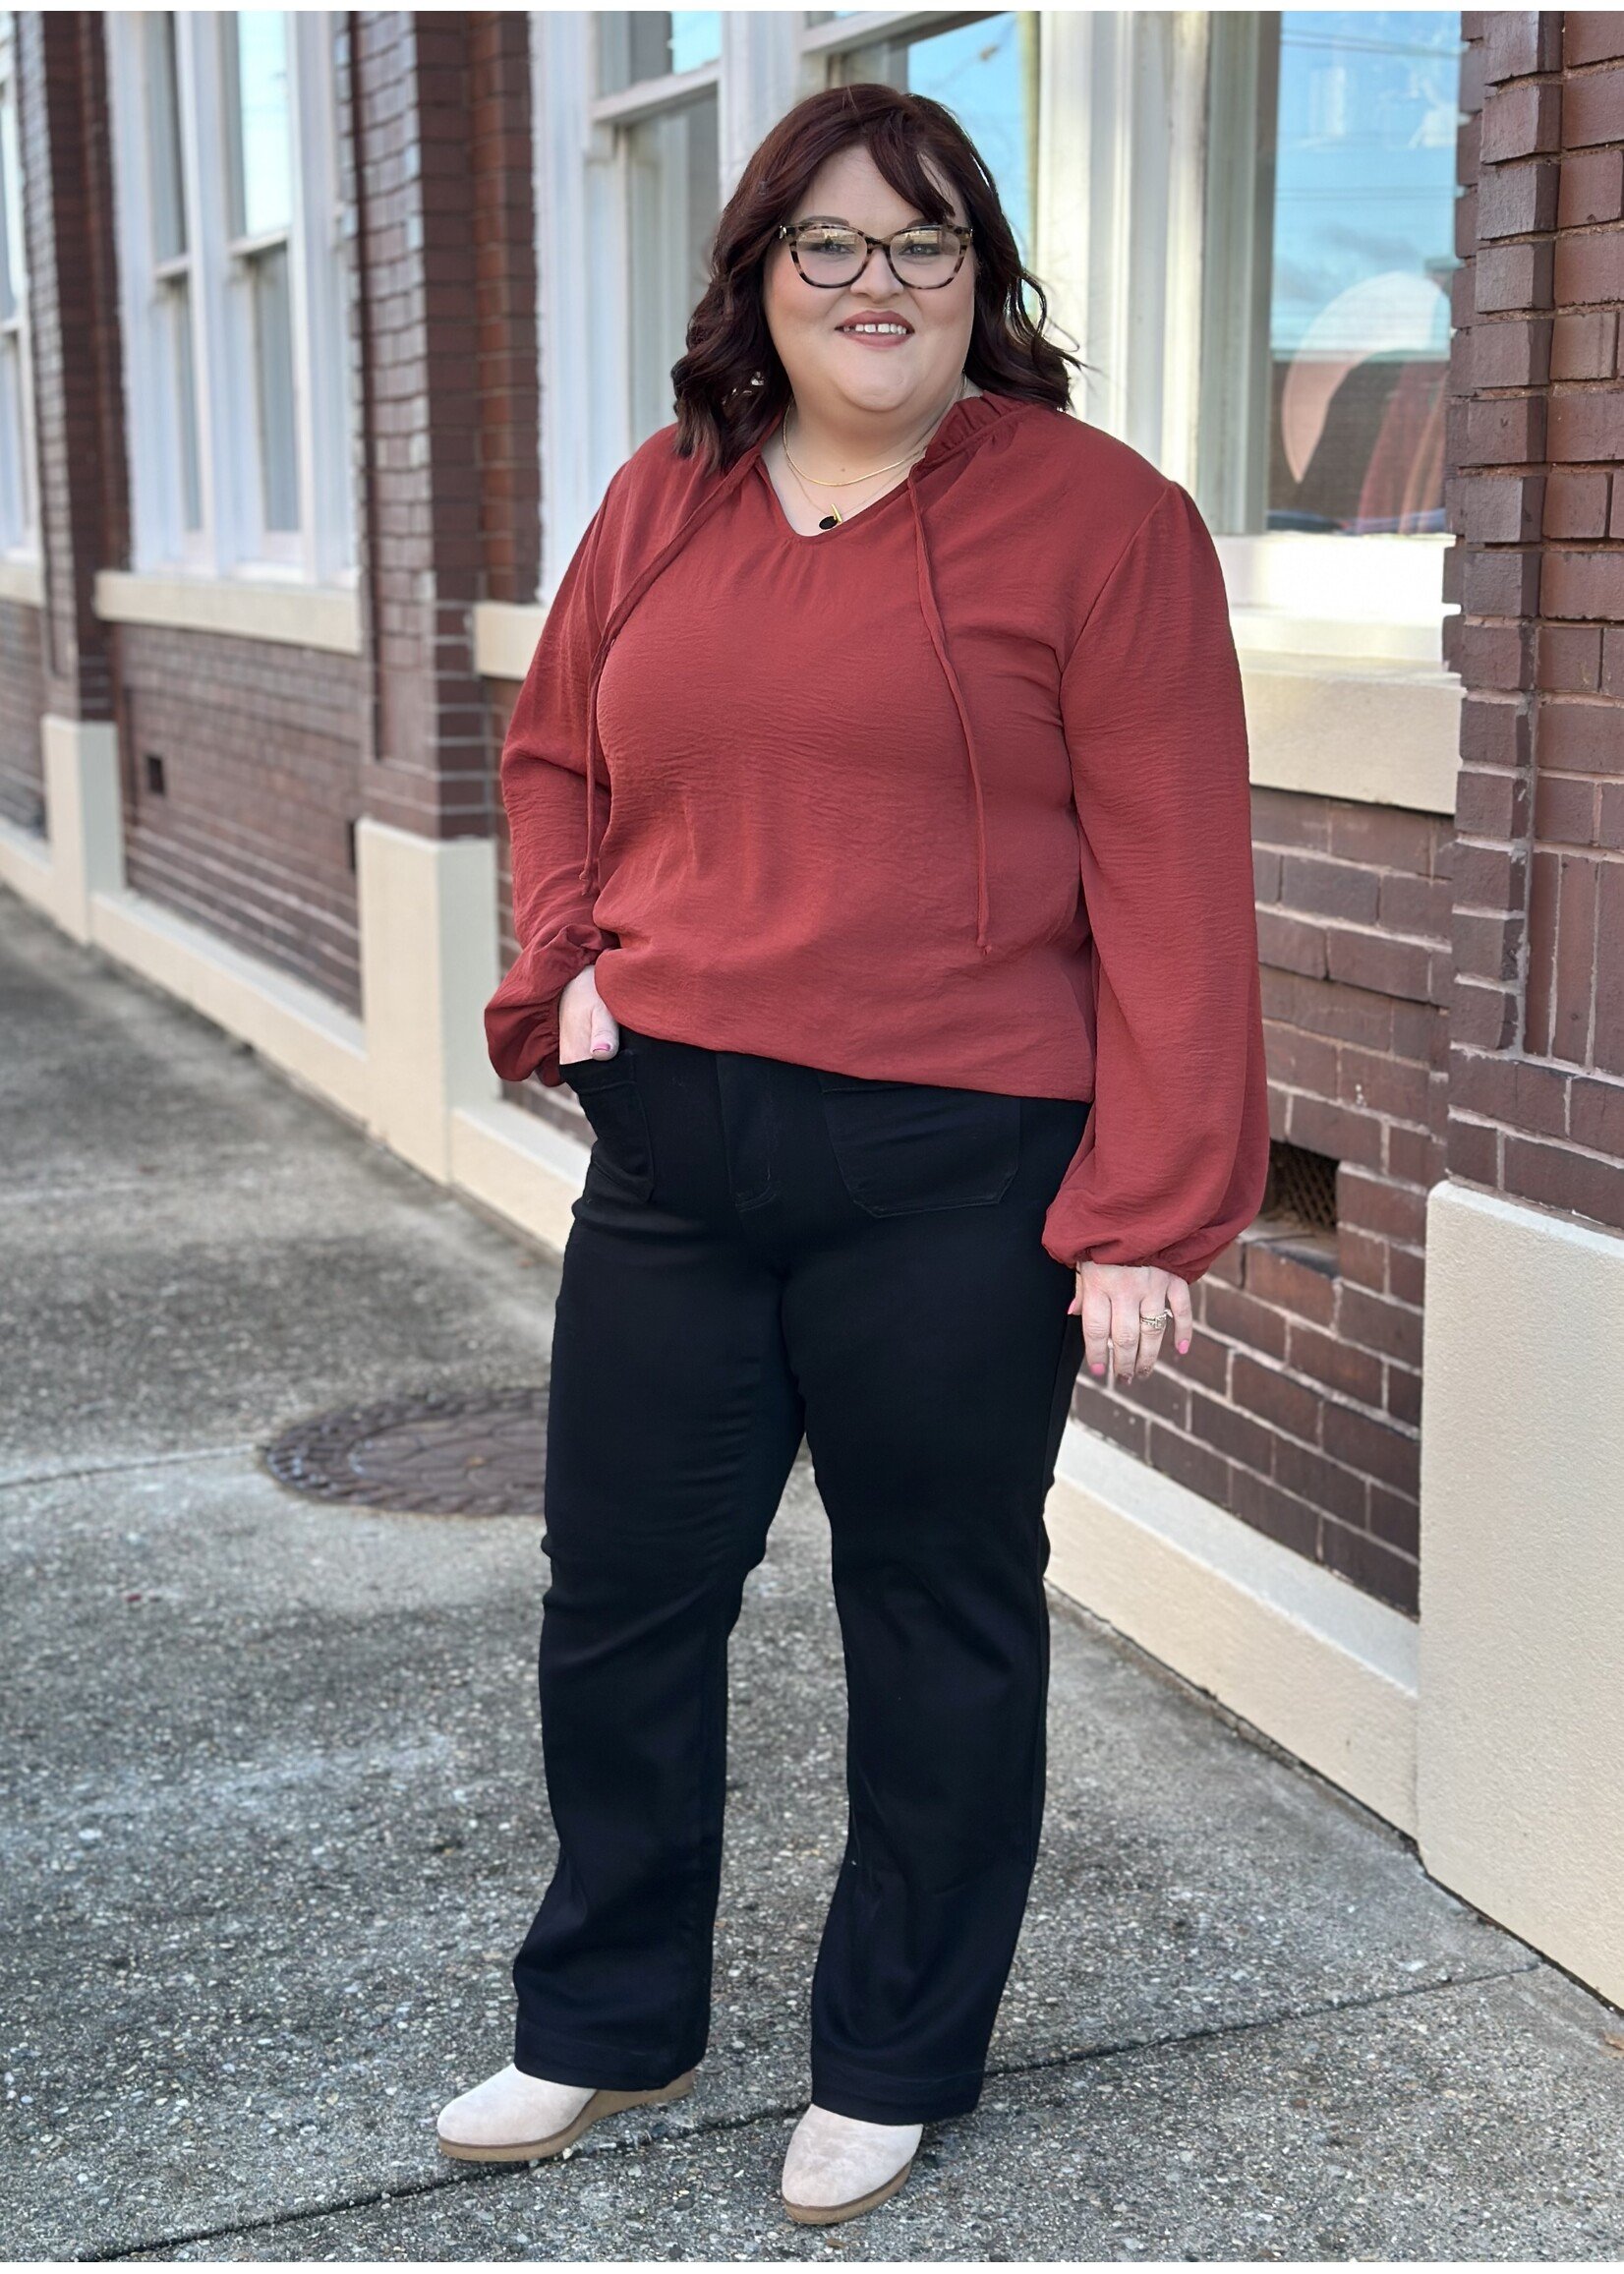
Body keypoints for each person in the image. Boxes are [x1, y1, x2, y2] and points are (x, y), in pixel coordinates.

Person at [436, 82, 1269, 2227]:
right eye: (828, 244)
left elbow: (1175, 874)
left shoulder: (1101, 520)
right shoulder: (665, 495)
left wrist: (1147, 1209)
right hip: (678, 1148)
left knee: (935, 1610)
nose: (874, 285)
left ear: (977, 280)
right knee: (620, 1595)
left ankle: (892, 2048)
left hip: (959, 1165)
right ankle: (603, 2019)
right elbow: (550, 754)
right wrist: (566, 963)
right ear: (757, 278)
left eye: (920, 245)